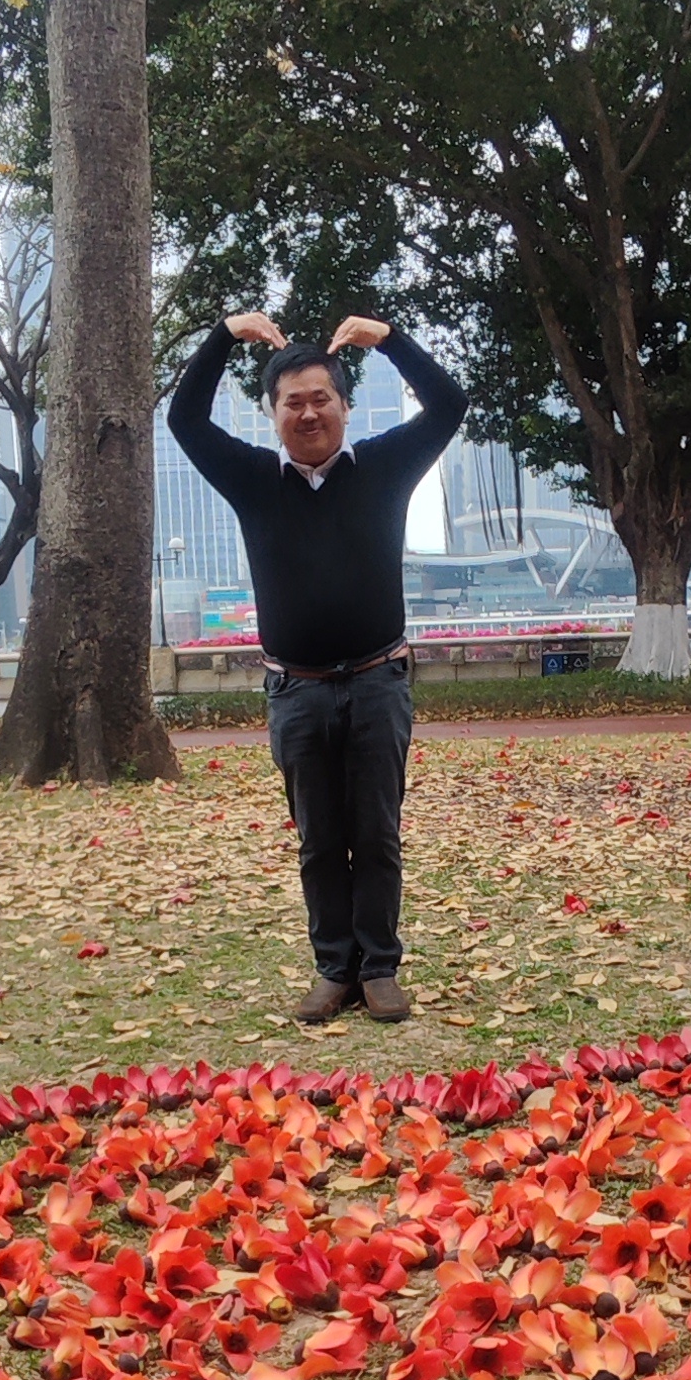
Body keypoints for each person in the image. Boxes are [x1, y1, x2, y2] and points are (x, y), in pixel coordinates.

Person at [168, 310, 467, 1024]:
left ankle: (381, 969)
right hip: (295, 692)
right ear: (272, 414)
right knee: (319, 841)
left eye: (320, 398)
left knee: (378, 833)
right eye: (292, 402)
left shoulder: (385, 466)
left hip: (376, 683)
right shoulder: (251, 479)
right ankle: (334, 970)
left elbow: (449, 405)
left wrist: (391, 340)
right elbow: (184, 419)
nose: (308, 413)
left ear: (344, 406)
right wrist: (221, 338)